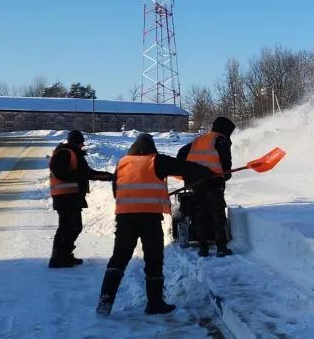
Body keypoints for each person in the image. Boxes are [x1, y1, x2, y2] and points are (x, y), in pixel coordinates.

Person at [95, 133, 213, 317]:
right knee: (154, 259)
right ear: (151, 148)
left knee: (119, 258)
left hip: (125, 218)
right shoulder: (156, 160)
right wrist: (208, 173)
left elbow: (116, 191)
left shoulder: (122, 163)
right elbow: (186, 168)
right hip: (149, 218)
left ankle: (105, 300)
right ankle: (155, 303)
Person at [48, 130, 114, 268]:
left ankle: (65, 255)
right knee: (67, 227)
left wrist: (110, 176)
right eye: (81, 143)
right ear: (76, 142)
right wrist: (80, 175)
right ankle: (58, 258)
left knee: (74, 227)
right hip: (65, 196)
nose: (82, 145)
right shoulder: (64, 152)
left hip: (72, 196)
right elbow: (60, 172)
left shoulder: (74, 154)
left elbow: (88, 173)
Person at [176, 116, 235, 257]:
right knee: (218, 214)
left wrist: (188, 175)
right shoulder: (221, 139)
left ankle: (203, 250)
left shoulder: (200, 140)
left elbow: (182, 152)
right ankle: (221, 248)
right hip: (214, 182)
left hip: (197, 183)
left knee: (200, 215)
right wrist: (226, 174)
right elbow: (225, 161)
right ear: (225, 129)